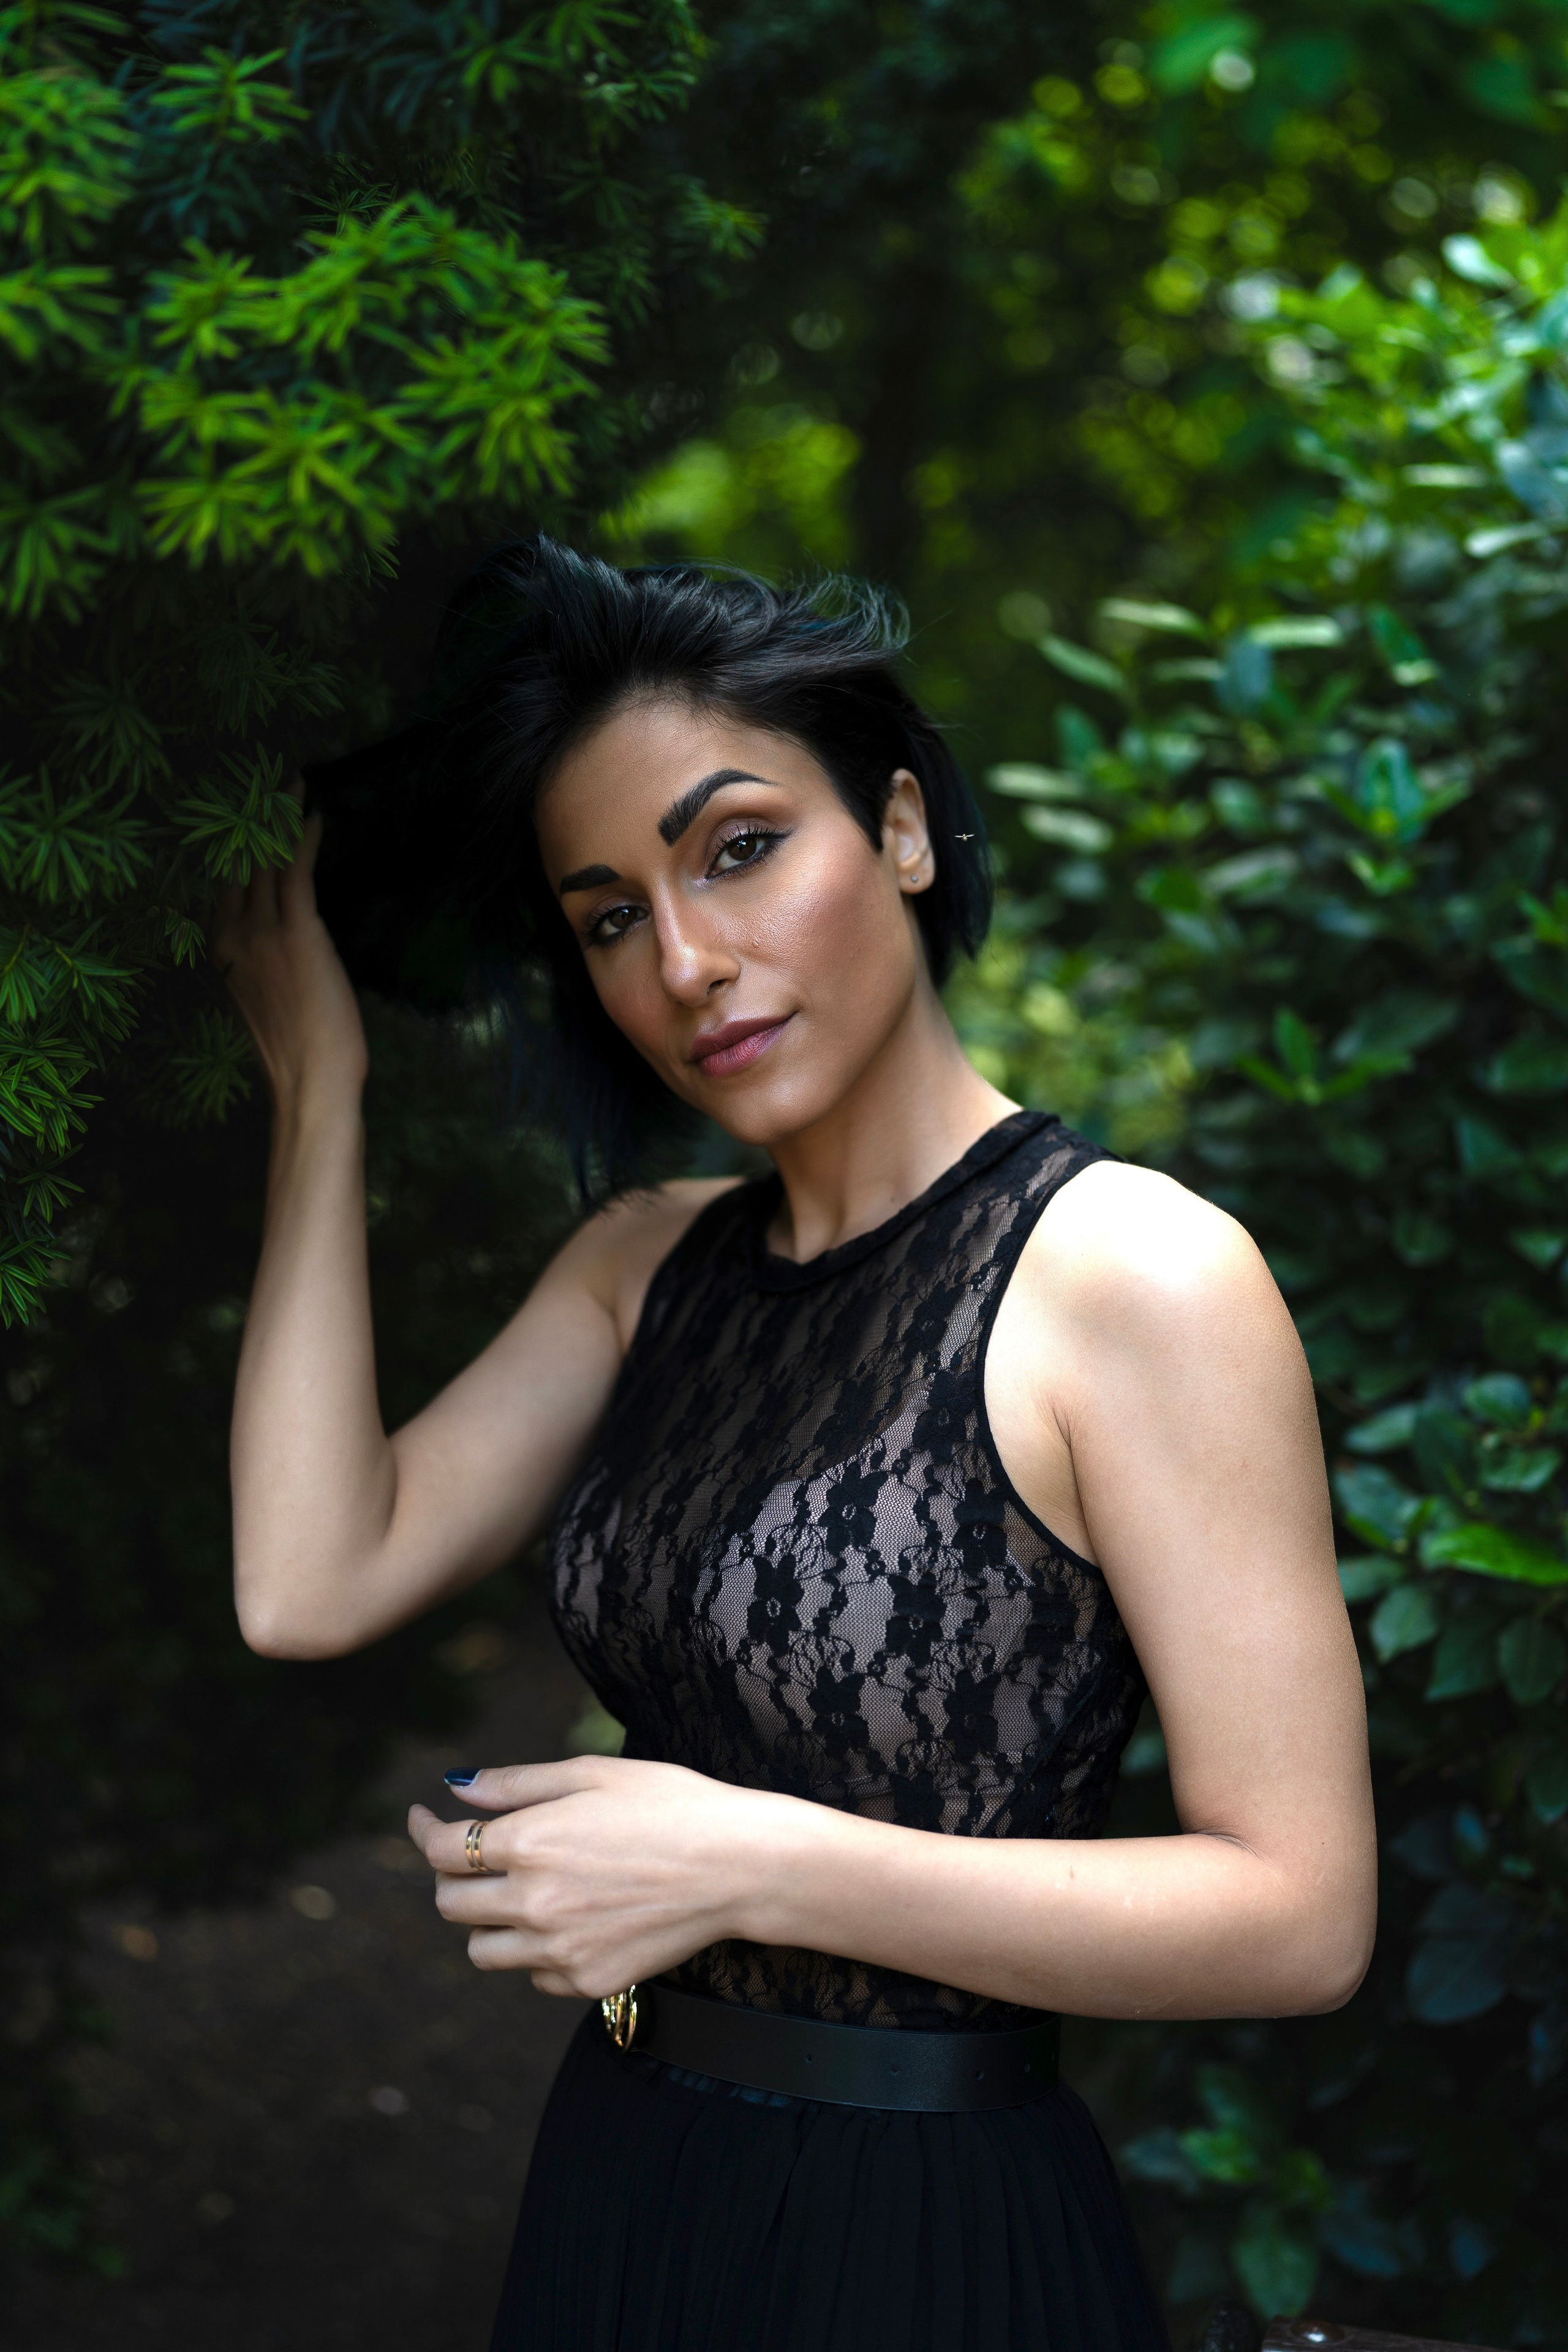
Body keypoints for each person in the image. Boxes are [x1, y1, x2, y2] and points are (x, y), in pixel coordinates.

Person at [216, 538, 1376, 2352]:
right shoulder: (638, 1267)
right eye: (610, 915)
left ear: (901, 830)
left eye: (737, 847)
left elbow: (1298, 1917)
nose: (685, 959)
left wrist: (741, 1860)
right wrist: (321, 1091)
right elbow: (306, 1578)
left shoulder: (1133, 1276)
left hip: (921, 2231)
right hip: (621, 2179)